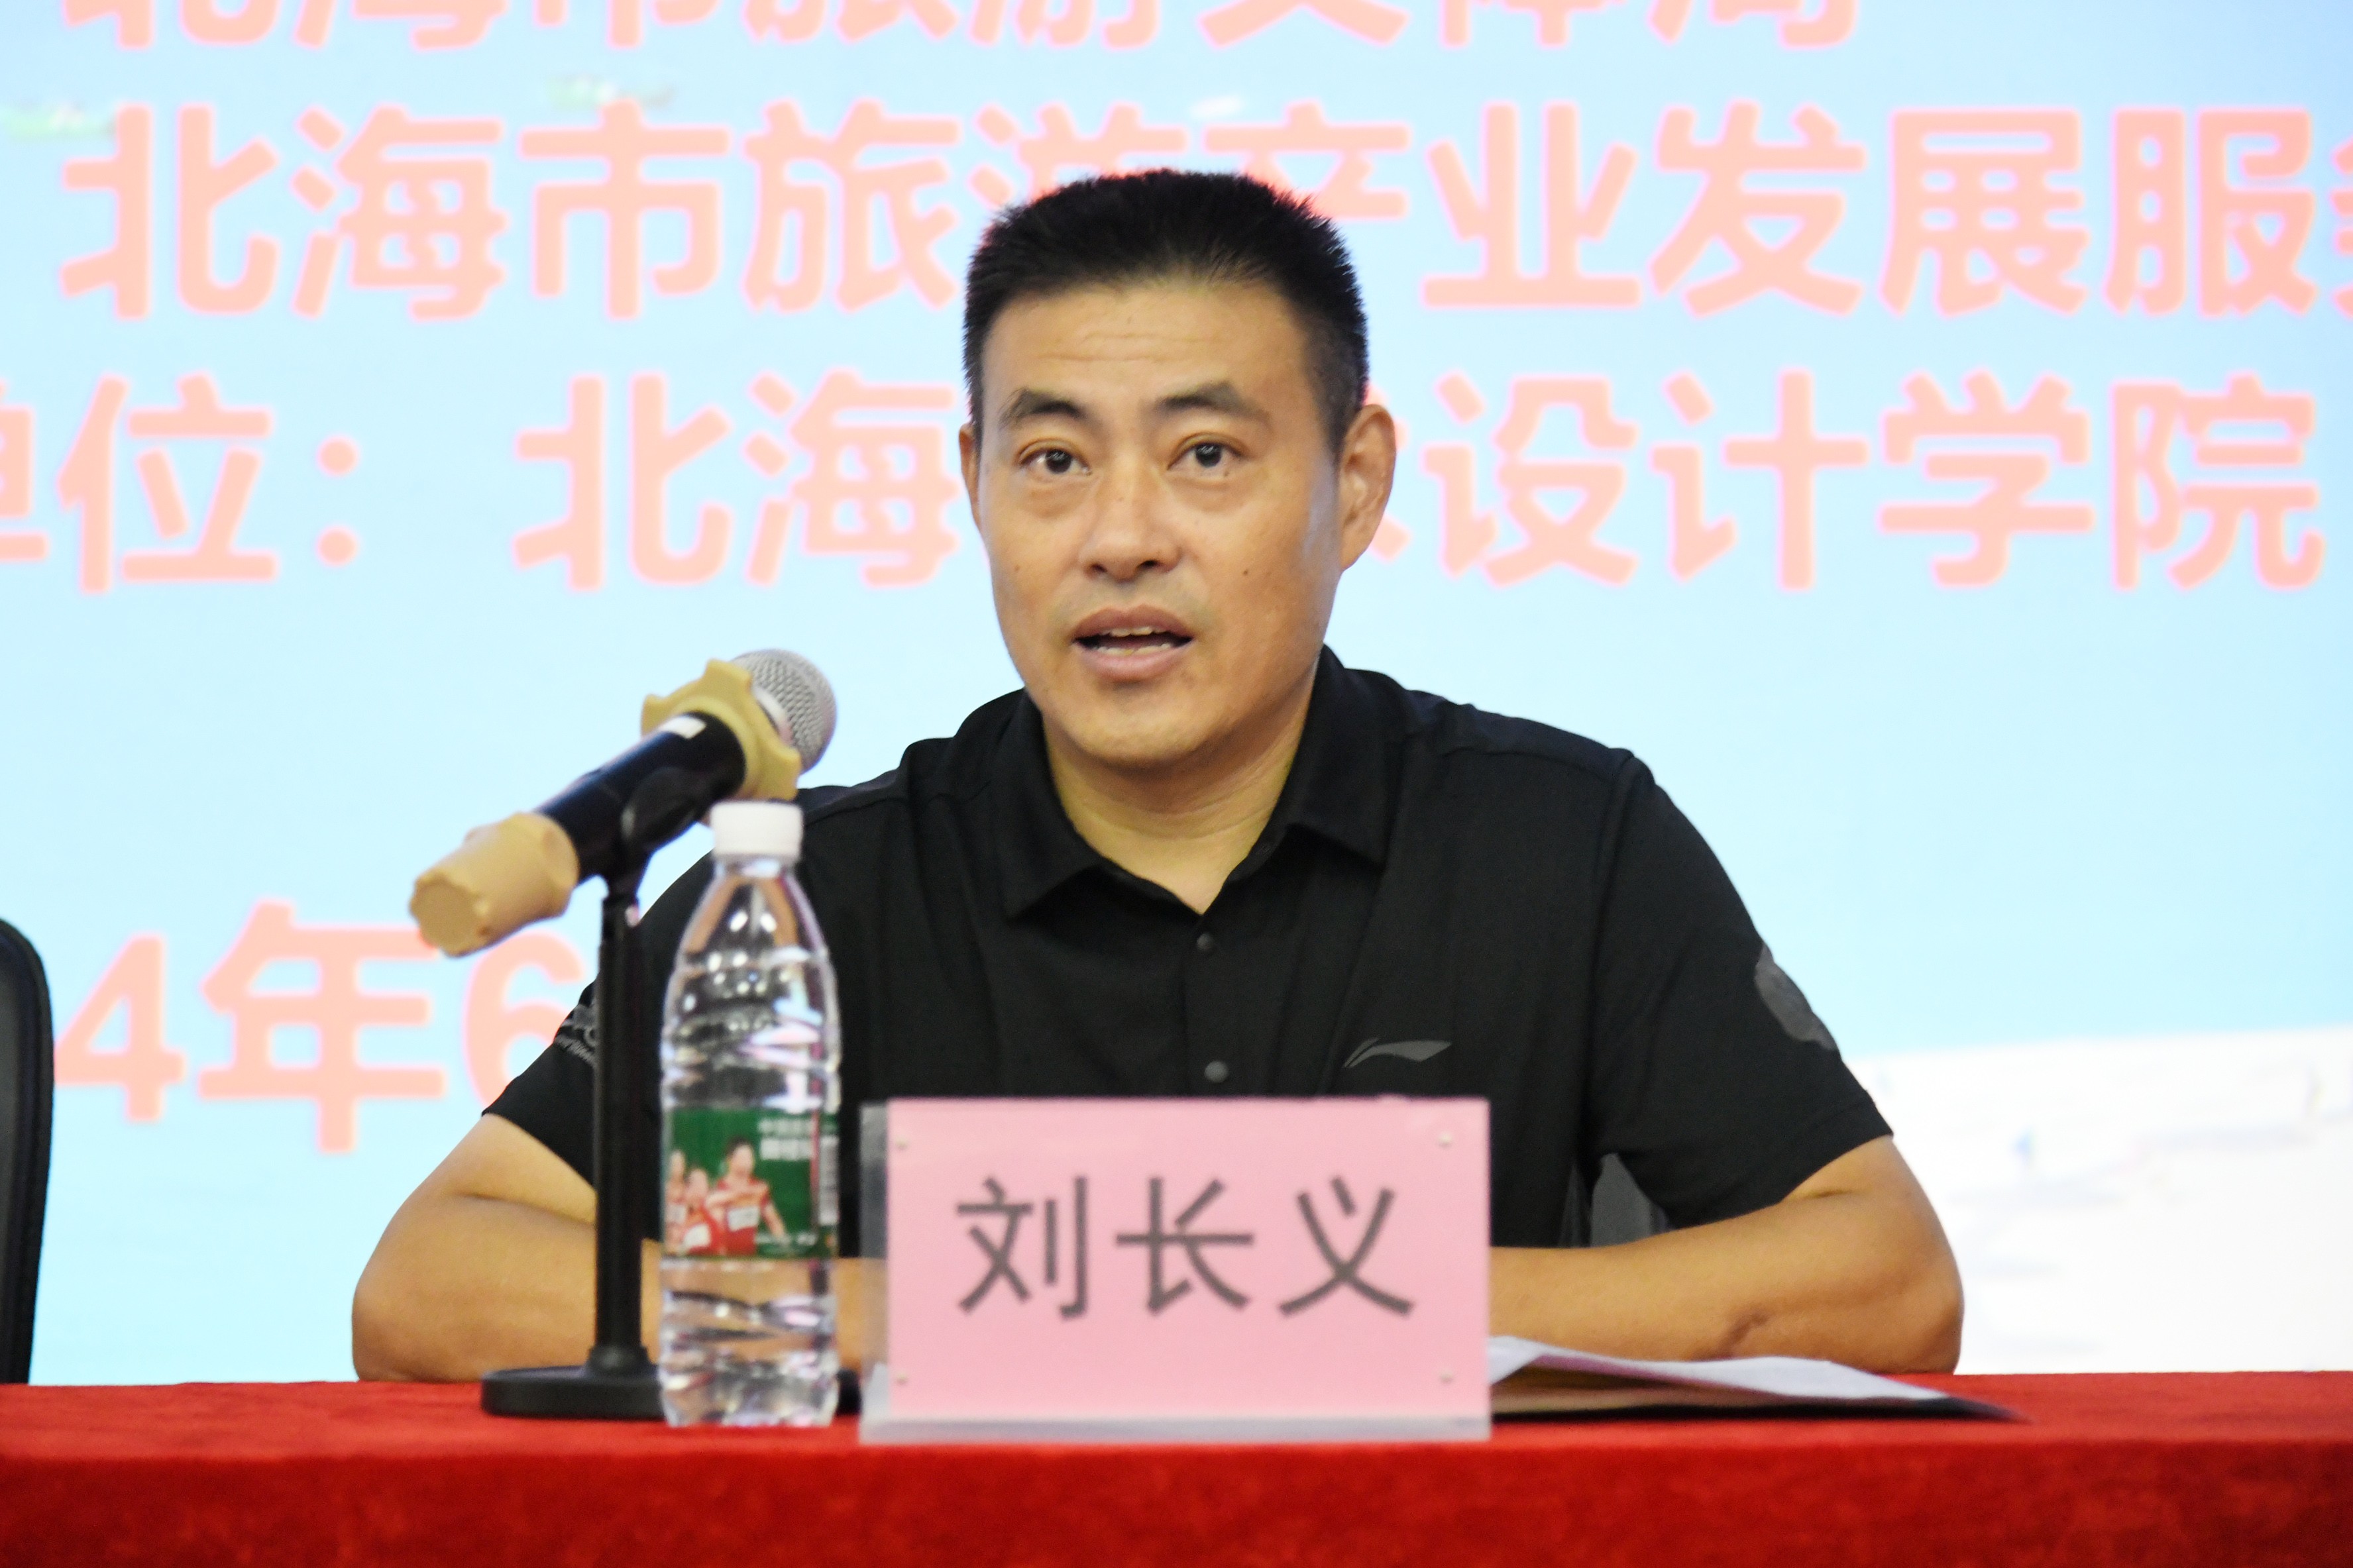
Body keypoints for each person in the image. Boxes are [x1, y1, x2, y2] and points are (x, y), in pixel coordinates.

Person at [353, 171, 1961, 1383]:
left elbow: (1886, 1279)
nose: (1120, 535)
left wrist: (1283, 1308)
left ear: (1355, 482)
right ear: (974, 482)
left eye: (1206, 455)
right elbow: (432, 1282)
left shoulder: (1562, 840)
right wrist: (959, 1312)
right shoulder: (814, 889)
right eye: (1053, 459)